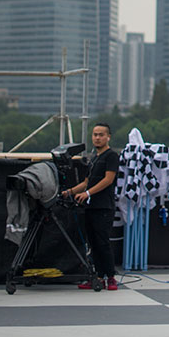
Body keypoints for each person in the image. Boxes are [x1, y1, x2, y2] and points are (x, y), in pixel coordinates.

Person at [63, 123, 120, 291]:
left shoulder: (111, 156)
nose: (97, 137)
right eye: (95, 134)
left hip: (103, 207)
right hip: (90, 207)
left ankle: (110, 277)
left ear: (108, 137)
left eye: (101, 134)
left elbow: (108, 180)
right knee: (92, 244)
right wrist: (70, 192)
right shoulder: (94, 157)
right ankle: (96, 276)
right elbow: (87, 182)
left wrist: (88, 194)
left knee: (102, 242)